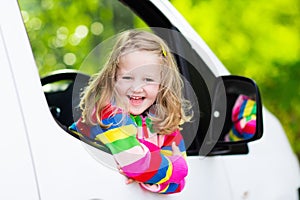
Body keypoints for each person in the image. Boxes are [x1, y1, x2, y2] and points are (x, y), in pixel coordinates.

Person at [69, 30, 192, 194]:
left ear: (161, 84)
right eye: (127, 78)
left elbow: (179, 184)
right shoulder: (109, 114)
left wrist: (149, 176)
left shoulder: (163, 124)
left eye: (148, 79)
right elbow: (138, 165)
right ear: (112, 78)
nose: (136, 88)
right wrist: (173, 167)